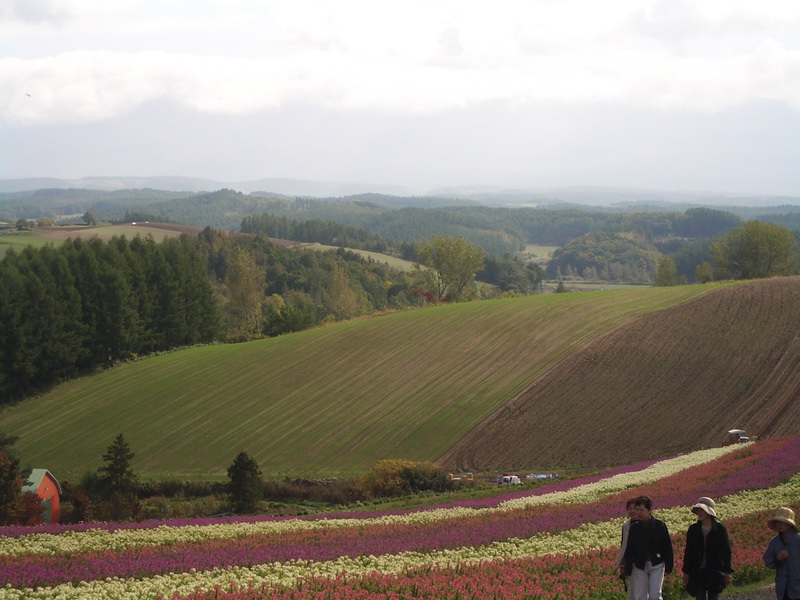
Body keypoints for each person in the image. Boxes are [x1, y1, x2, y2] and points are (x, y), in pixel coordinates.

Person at [681, 497, 733, 599]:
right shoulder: (693, 529)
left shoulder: (720, 530)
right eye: (698, 510)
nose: (700, 513)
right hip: (697, 572)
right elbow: (689, 552)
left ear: (709, 512)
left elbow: (726, 552)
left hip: (715, 571)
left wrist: (727, 572)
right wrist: (686, 572)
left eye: (702, 510)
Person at [624, 495, 674, 600]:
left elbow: (667, 547)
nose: (639, 513)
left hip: (657, 564)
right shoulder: (634, 529)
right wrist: (627, 570)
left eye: (642, 510)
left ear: (650, 510)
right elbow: (630, 550)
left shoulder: (659, 526)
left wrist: (669, 566)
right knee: (641, 596)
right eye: (637, 510)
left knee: (655, 595)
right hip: (639, 566)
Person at [763, 506, 800, 600]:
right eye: (777, 522)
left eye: (782, 522)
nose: (779, 525)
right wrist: (778, 559)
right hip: (782, 588)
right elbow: (768, 562)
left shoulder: (798, 540)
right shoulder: (774, 542)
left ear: (789, 524)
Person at [617, 497, 639, 600]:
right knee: (632, 592)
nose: (632, 511)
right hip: (630, 562)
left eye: (635, 508)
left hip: (643, 562)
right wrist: (622, 565)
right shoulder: (626, 525)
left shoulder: (645, 523)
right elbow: (623, 545)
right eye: (630, 508)